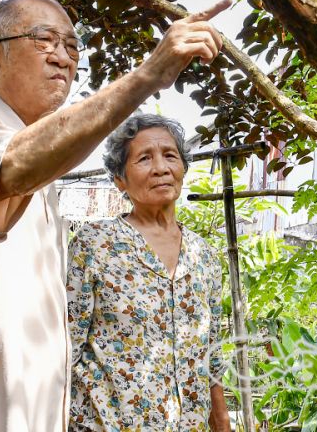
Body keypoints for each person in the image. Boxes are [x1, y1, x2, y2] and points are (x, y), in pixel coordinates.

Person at [0, 0, 229, 431]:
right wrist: (149, 75)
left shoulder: (48, 183)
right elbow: (14, 167)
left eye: (72, 46)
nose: (63, 57)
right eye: (45, 39)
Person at [67, 114, 231, 431]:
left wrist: (222, 423)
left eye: (170, 155)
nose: (160, 168)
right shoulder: (95, 245)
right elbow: (65, 351)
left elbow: (210, 354)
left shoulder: (204, 256)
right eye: (144, 158)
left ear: (183, 167)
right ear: (120, 179)